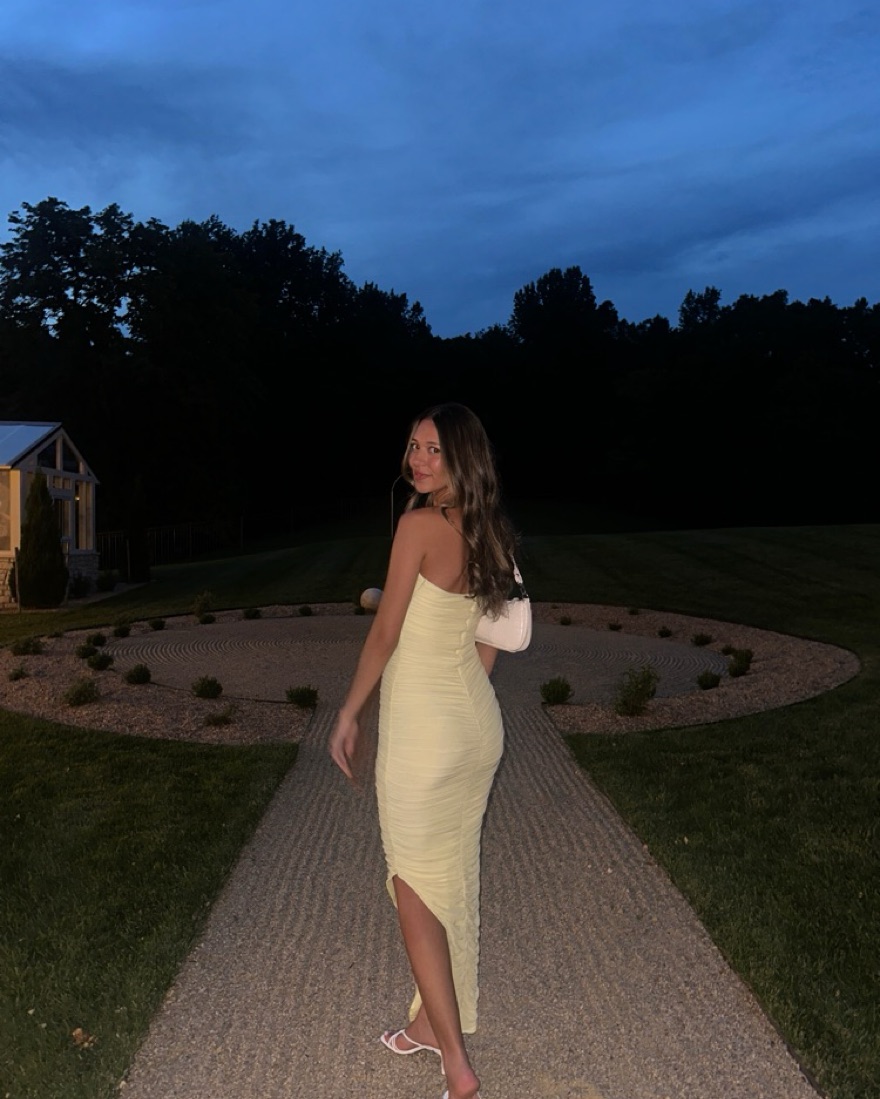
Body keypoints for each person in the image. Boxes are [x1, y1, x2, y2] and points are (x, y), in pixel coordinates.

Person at [329, 402, 516, 1099]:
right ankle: (431, 1026)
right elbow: (497, 630)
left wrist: (349, 711)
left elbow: (384, 633)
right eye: (413, 445)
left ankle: (458, 1067)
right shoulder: (489, 527)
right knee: (453, 879)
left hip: (424, 737)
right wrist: (468, 699)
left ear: (463, 456)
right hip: (475, 726)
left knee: (413, 887)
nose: (418, 459)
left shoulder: (417, 525)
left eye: (434, 449)